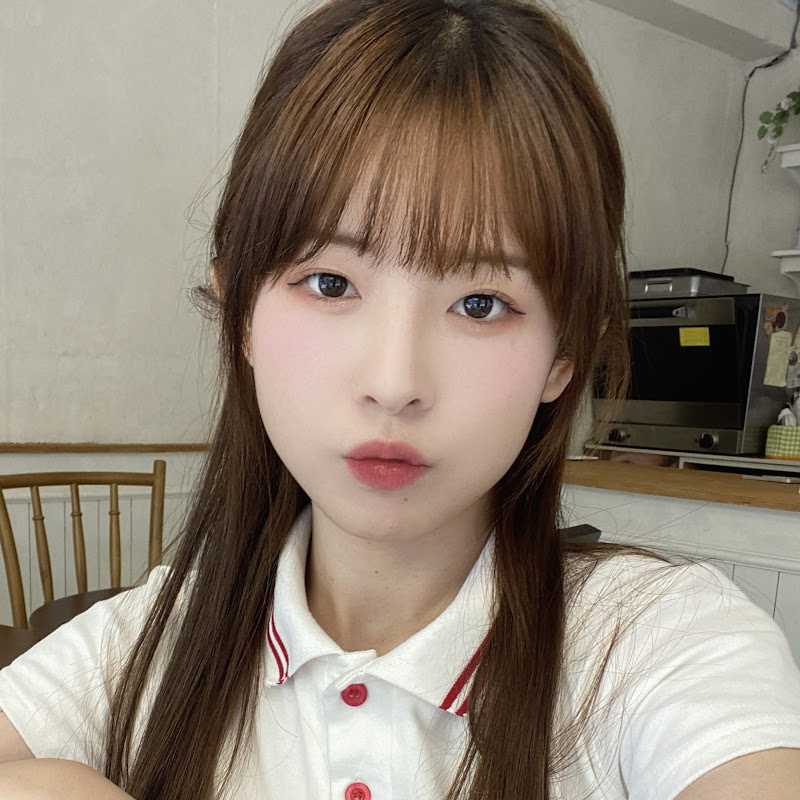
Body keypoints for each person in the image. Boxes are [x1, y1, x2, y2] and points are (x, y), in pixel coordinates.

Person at [1, 1, 800, 798]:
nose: (394, 383)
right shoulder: (156, 639)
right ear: (240, 313)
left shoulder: (659, 642)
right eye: (330, 282)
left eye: (481, 303)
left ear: (565, 355)